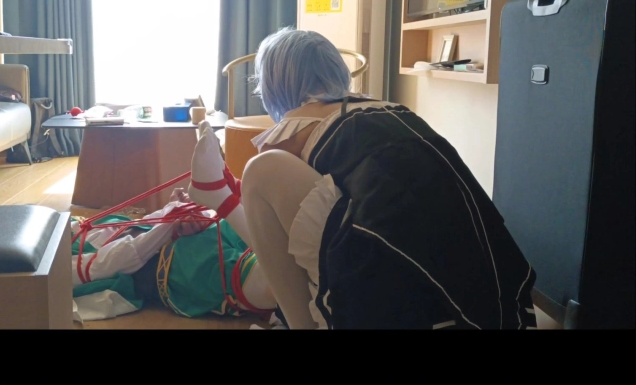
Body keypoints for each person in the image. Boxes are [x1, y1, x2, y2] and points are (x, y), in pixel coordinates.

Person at [187, 27, 538, 330]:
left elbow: (277, 244)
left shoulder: (289, 131)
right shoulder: (392, 110)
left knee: (260, 172)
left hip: (399, 302)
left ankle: (219, 199)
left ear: (275, 85)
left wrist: (231, 197)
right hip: (489, 298)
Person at [71, 187, 278, 322]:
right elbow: (122, 259)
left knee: (259, 225)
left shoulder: (75, 228)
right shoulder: (61, 263)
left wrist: (181, 210)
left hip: (195, 234)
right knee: (237, 273)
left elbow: (146, 224)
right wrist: (173, 221)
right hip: (172, 268)